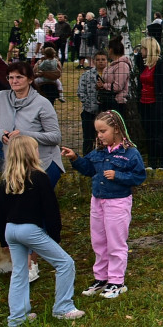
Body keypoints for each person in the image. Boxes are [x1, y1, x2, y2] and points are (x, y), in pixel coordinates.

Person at [0, 136, 84, 327]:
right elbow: (50, 210)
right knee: (65, 263)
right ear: (31, 153)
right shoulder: (39, 176)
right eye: (36, 149)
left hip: (11, 230)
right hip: (29, 229)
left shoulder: (7, 179)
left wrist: (3, 240)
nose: (38, 152)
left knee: (19, 272)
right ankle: (63, 307)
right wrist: (55, 236)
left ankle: (17, 318)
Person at [62, 110, 146, 300]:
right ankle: (101, 278)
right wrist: (75, 158)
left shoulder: (130, 153)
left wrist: (119, 176)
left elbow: (139, 176)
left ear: (116, 129)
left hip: (117, 202)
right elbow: (89, 169)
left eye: (103, 131)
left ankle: (117, 281)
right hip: (97, 201)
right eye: (97, 132)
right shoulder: (98, 152)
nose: (99, 136)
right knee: (99, 241)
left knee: (116, 242)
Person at [0, 60, 64, 187]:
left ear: (30, 79)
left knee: (38, 205)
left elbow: (55, 137)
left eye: (19, 77)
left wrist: (24, 135)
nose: (14, 81)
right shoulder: (0, 98)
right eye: (11, 77)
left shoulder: (42, 103)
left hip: (43, 165)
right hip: (14, 165)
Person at [135, 37, 163, 170]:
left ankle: (162, 164)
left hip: (158, 105)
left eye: (143, 48)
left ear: (149, 49)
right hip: (145, 104)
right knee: (149, 135)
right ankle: (152, 163)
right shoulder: (144, 65)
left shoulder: (162, 65)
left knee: (160, 135)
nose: (141, 51)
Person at [77, 51, 109, 154]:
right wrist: (88, 104)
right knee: (88, 137)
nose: (100, 62)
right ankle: (87, 158)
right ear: (93, 61)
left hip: (106, 111)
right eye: (98, 60)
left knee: (105, 138)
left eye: (103, 59)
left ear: (107, 61)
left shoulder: (110, 74)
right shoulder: (86, 75)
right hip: (89, 111)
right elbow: (81, 91)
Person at [100, 38, 133, 114]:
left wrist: (104, 85)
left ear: (111, 50)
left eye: (108, 49)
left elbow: (118, 86)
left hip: (117, 103)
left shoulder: (122, 66)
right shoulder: (112, 65)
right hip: (108, 102)